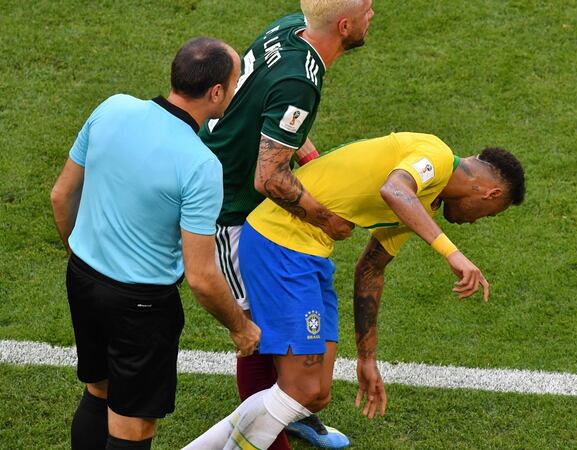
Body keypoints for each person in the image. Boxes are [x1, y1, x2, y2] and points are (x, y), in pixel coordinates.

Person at [182, 132, 526, 449]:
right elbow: (395, 190)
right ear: (491, 193)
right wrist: (453, 254)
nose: (476, 221)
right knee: (300, 387)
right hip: (279, 244)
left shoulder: (425, 202)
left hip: (310, 255)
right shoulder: (435, 155)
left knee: (315, 395)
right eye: (489, 214)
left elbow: (371, 270)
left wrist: (367, 358)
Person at [49, 37, 261, 450]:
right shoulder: (200, 165)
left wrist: (83, 259)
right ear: (217, 92)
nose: (235, 92)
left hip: (83, 281)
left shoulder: (112, 108)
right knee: (133, 428)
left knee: (99, 393)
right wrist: (241, 327)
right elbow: (201, 276)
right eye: (235, 84)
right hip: (141, 308)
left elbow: (61, 197)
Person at [199, 1, 374, 448]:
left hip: (254, 204)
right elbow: (268, 177)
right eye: (369, 10)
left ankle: (289, 412)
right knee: (256, 332)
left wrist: (310, 156)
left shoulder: (292, 28)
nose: (374, 15)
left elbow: (269, 112)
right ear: (345, 24)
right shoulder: (300, 79)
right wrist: (325, 217)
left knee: (279, 325)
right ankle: (267, 438)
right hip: (231, 211)